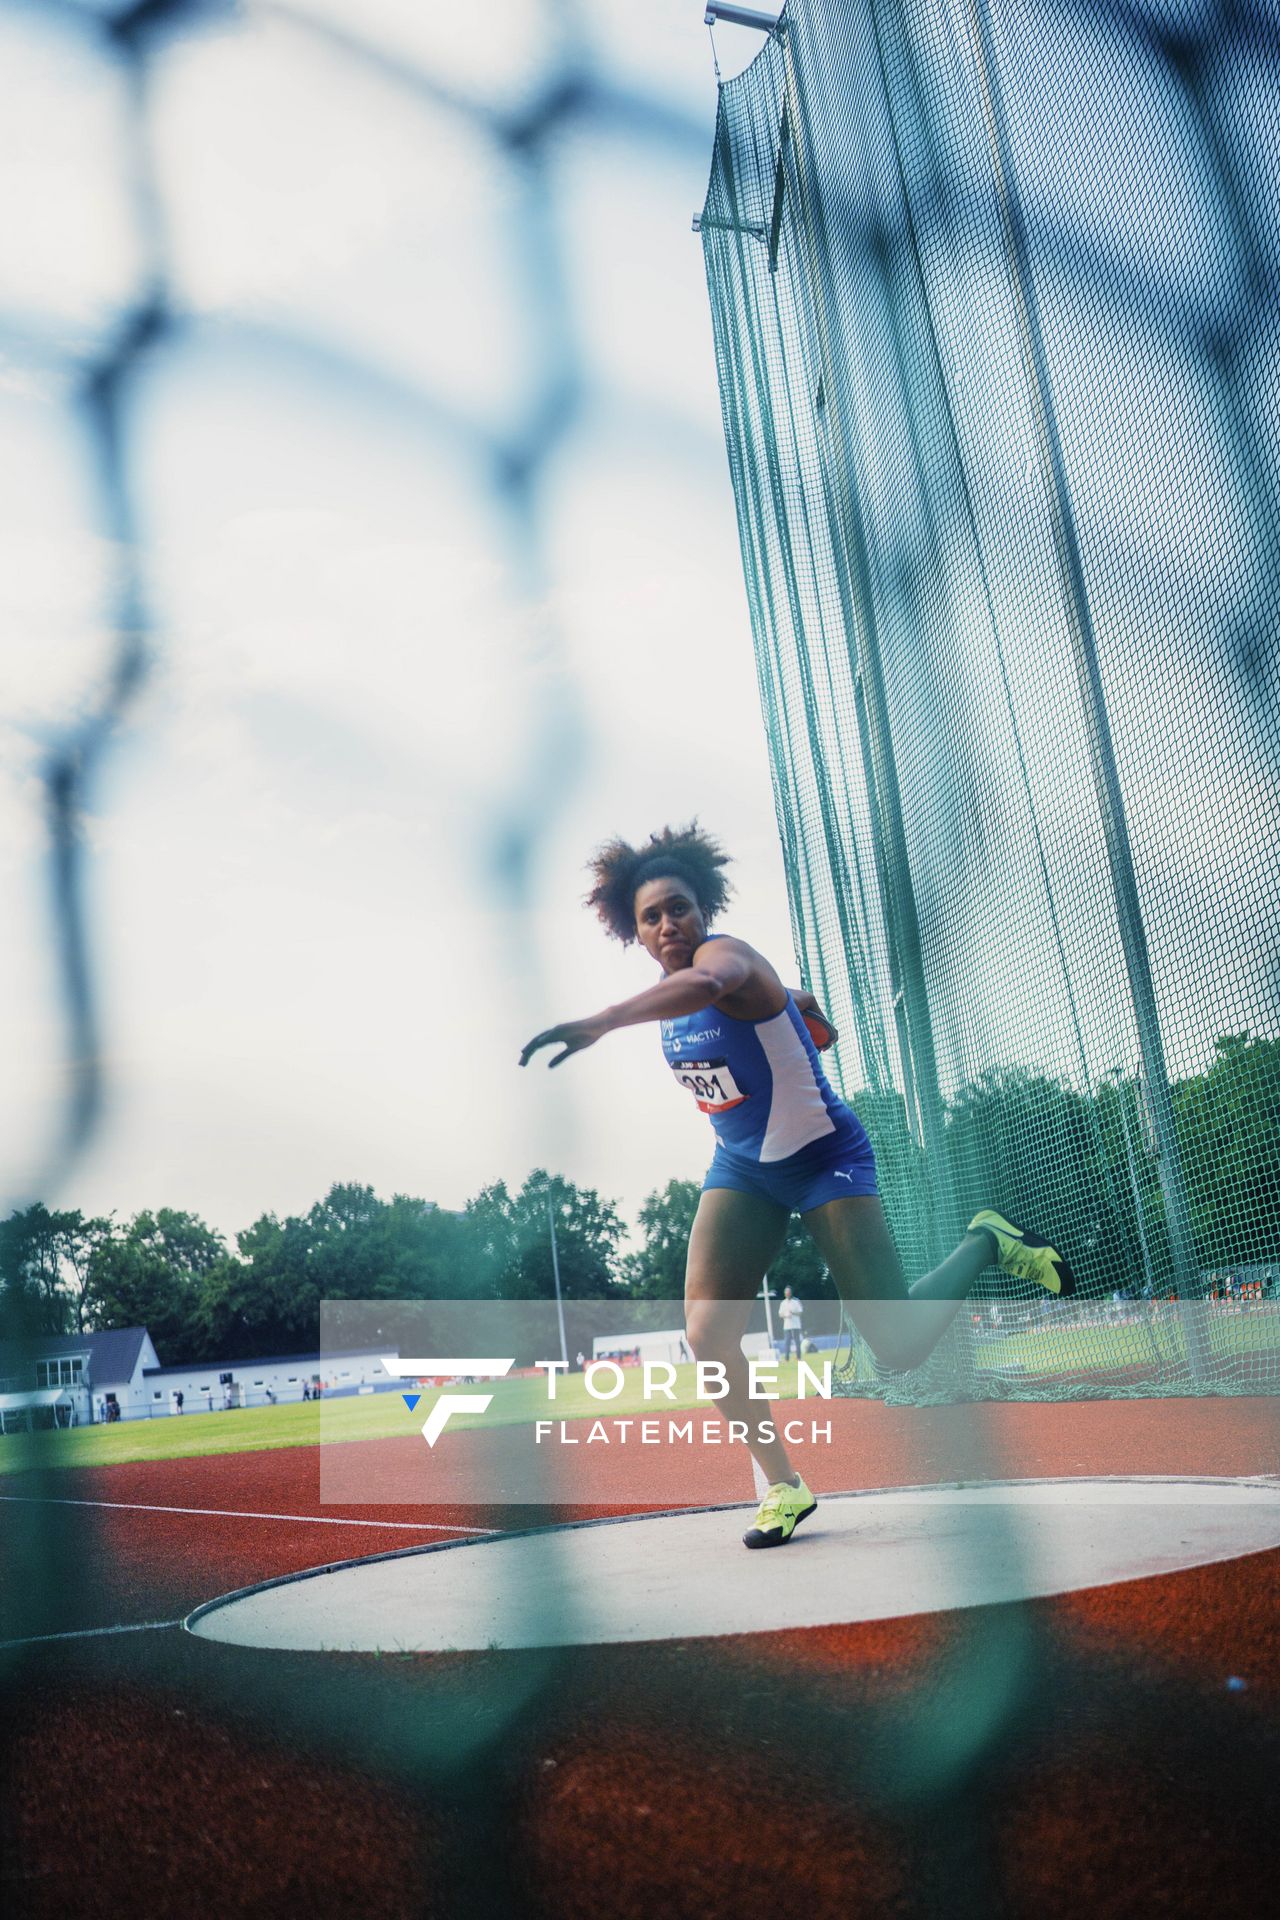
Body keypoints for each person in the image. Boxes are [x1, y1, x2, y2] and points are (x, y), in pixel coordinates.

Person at [520, 823, 1074, 1551]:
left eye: (678, 907)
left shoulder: (724, 958)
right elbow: (801, 1028)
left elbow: (714, 984)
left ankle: (986, 1240)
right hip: (743, 1169)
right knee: (706, 1334)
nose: (667, 925)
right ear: (634, 928)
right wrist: (798, 1013)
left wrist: (602, 1021)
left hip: (822, 1158)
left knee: (899, 1345)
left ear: (703, 907)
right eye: (651, 916)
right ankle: (784, 1485)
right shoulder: (671, 993)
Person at [778, 1285, 804, 1362]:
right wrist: (786, 1315)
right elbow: (780, 1314)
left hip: (796, 1325)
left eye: (789, 1292)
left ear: (791, 1293)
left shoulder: (796, 1301)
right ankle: (786, 1359)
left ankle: (798, 1357)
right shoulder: (783, 1303)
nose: (787, 1294)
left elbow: (800, 1312)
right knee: (787, 1342)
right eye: (786, 1292)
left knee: (797, 1342)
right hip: (787, 1326)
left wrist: (793, 1313)